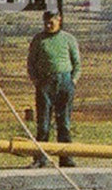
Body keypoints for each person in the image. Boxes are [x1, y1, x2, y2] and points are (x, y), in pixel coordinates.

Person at [26, 10, 80, 167]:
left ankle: (66, 157)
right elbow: (31, 63)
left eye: (51, 22)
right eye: (46, 23)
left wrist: (73, 81)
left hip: (64, 82)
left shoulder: (68, 39)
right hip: (45, 83)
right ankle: (40, 158)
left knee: (64, 122)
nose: (48, 25)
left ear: (59, 20)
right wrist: (36, 81)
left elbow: (76, 63)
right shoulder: (38, 40)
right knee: (43, 123)